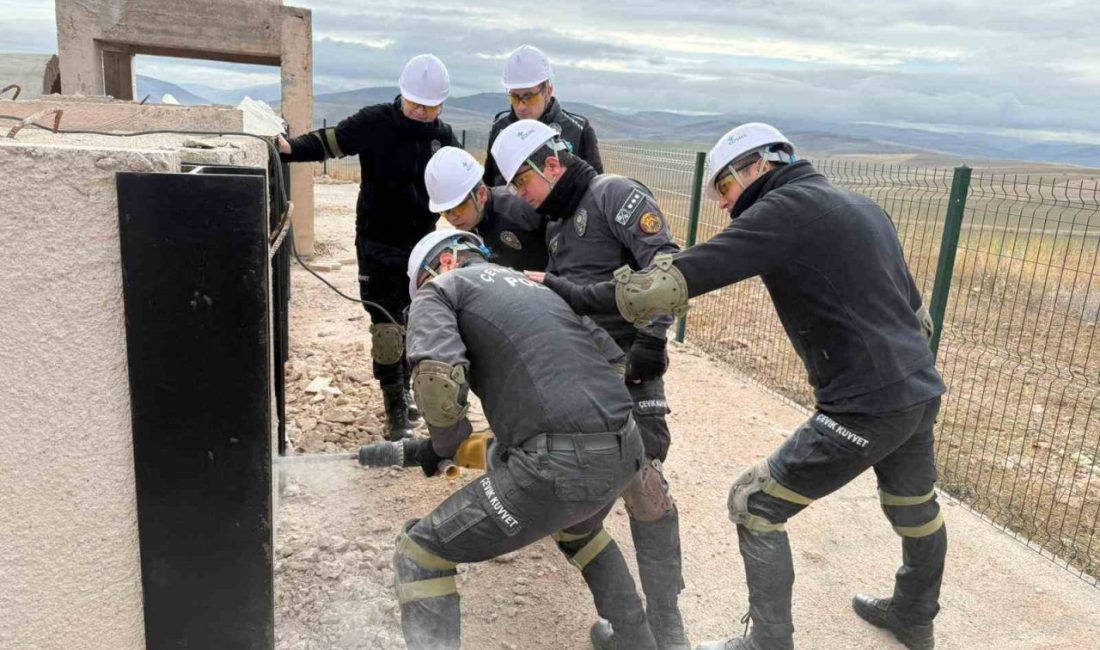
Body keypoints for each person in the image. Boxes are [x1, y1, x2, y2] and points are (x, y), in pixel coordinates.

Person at [535, 123, 947, 650]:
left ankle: (767, 643)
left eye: (725, 191)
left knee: (754, 502)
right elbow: (919, 315)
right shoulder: (862, 206)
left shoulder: (781, 211)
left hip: (864, 407)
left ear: (756, 168)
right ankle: (915, 614)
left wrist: (568, 292)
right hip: (920, 389)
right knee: (915, 508)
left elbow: (668, 283)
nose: (728, 209)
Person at [394, 229, 657, 650]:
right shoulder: (535, 288)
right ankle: (635, 642)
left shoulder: (441, 288)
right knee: (579, 530)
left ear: (443, 263)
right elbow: (611, 359)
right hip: (626, 448)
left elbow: (438, 386)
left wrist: (444, 445)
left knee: (421, 552)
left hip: (559, 467)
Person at [490, 120, 690, 650]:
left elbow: (665, 264)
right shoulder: (557, 225)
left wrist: (653, 338)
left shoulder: (613, 195)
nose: (522, 197)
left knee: (645, 491)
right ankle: (634, 628)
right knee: (580, 506)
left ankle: (668, 630)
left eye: (523, 183)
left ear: (552, 165)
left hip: (633, 372)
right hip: (588, 381)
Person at [277, 54, 459, 440]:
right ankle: (393, 405)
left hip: (422, 248)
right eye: (414, 104)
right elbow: (331, 142)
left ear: (441, 104)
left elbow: (459, 187)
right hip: (377, 243)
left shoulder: (443, 138)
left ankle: (408, 390)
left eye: (429, 107)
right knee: (386, 328)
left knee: (417, 325)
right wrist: (289, 148)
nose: (421, 112)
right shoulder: (375, 121)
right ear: (402, 95)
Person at [482, 45, 603, 187]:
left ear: (548, 91)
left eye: (530, 97)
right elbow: (490, 186)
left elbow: (596, 191)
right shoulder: (500, 128)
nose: (521, 106)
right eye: (514, 97)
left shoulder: (578, 131)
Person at [424, 146, 548, 271]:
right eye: (446, 212)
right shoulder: (467, 232)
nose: (452, 218)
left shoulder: (520, 209)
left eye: (459, 208)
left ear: (481, 194)